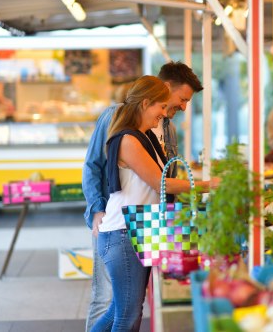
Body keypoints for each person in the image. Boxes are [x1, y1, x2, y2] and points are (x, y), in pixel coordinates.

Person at [83, 61, 203, 332]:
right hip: (120, 225)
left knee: (121, 308)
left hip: (143, 225)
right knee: (112, 304)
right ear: (161, 92)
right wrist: (96, 210)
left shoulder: (163, 129)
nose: (182, 107)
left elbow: (160, 179)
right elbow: (93, 165)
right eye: (180, 99)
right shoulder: (120, 123)